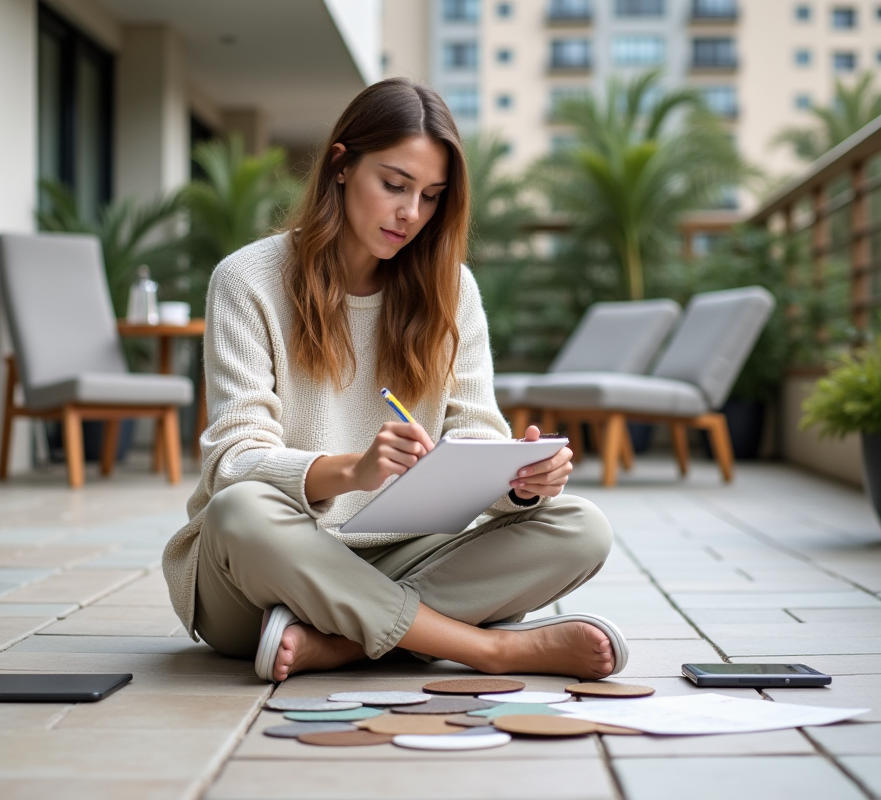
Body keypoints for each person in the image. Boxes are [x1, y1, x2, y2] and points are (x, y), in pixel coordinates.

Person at [162, 78, 626, 683]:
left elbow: (477, 437)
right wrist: (351, 472)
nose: (411, 214)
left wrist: (520, 483)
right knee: (239, 511)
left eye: (432, 196)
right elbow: (233, 458)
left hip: (396, 556)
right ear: (340, 166)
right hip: (264, 577)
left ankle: (340, 645)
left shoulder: (452, 290)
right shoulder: (248, 280)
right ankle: (488, 651)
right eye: (394, 185)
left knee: (581, 527)